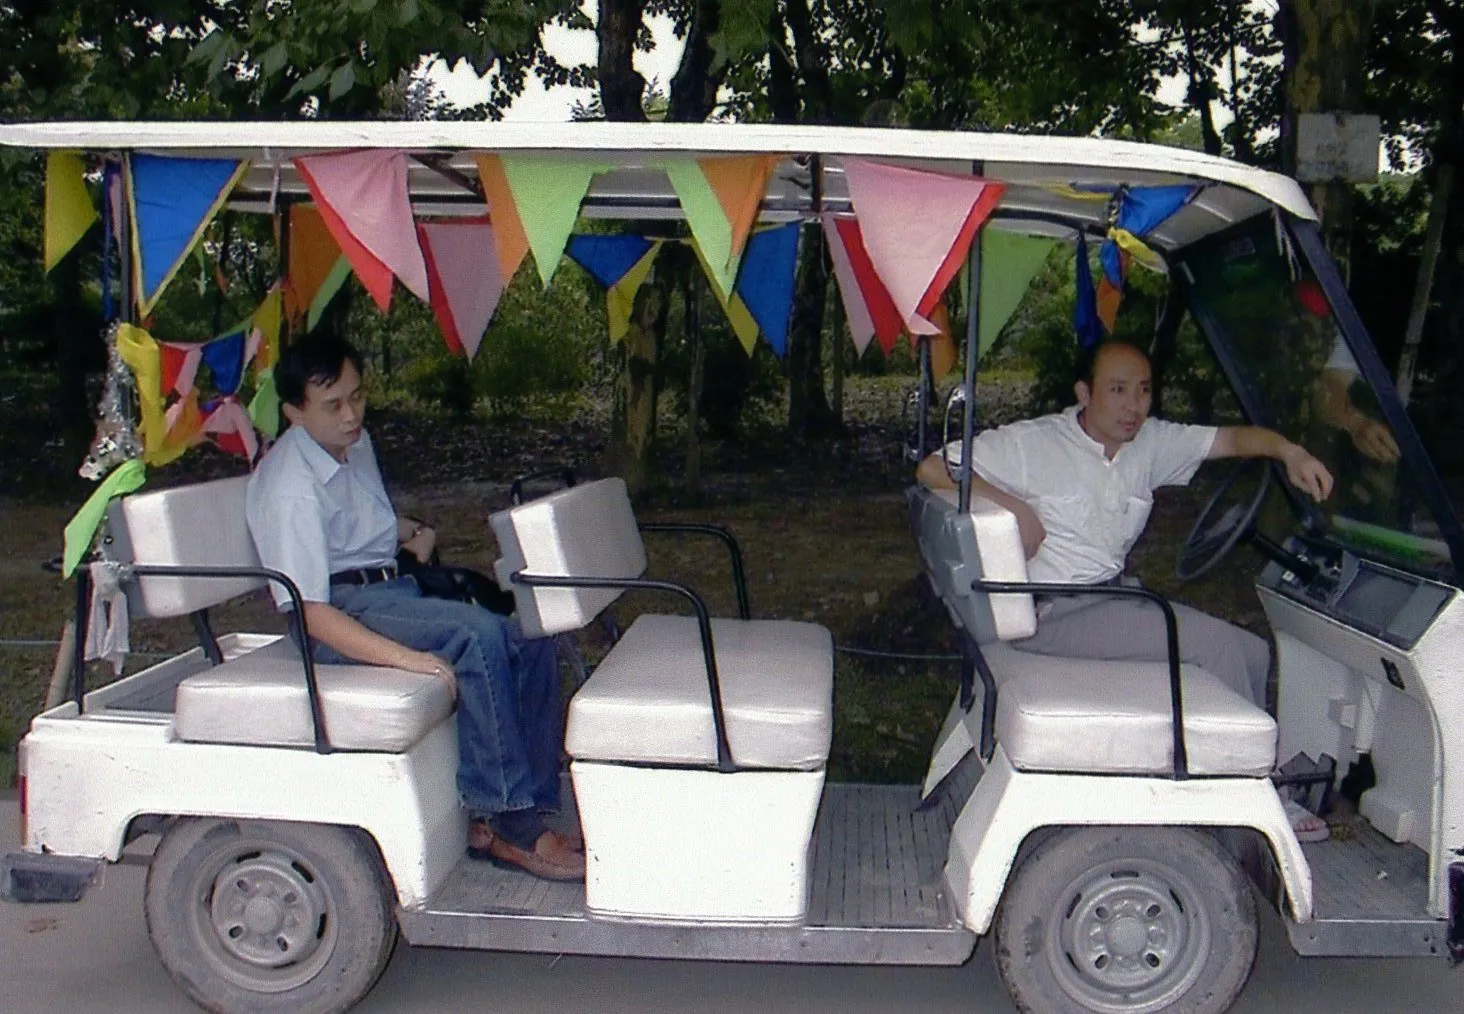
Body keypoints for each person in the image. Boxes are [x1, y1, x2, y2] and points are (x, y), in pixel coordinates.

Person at [917, 340, 1334, 839]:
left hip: (1110, 600)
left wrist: (1290, 451)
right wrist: (1013, 506)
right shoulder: (1034, 444)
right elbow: (932, 467)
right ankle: (1264, 799)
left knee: (1251, 649)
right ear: (1084, 393)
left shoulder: (1151, 443)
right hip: (1053, 613)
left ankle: (1236, 783)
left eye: (1143, 390)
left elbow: (1234, 441)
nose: (1133, 405)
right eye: (1117, 390)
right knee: (1221, 646)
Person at [245, 334, 584, 882]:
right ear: (293, 413)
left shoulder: (354, 446)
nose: (352, 414)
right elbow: (309, 610)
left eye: (357, 396)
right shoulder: (291, 486)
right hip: (339, 611)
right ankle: (504, 822)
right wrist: (408, 660)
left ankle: (535, 803)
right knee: (477, 636)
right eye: (333, 406)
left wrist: (410, 532)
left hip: (389, 589)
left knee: (531, 632)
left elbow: (358, 529)